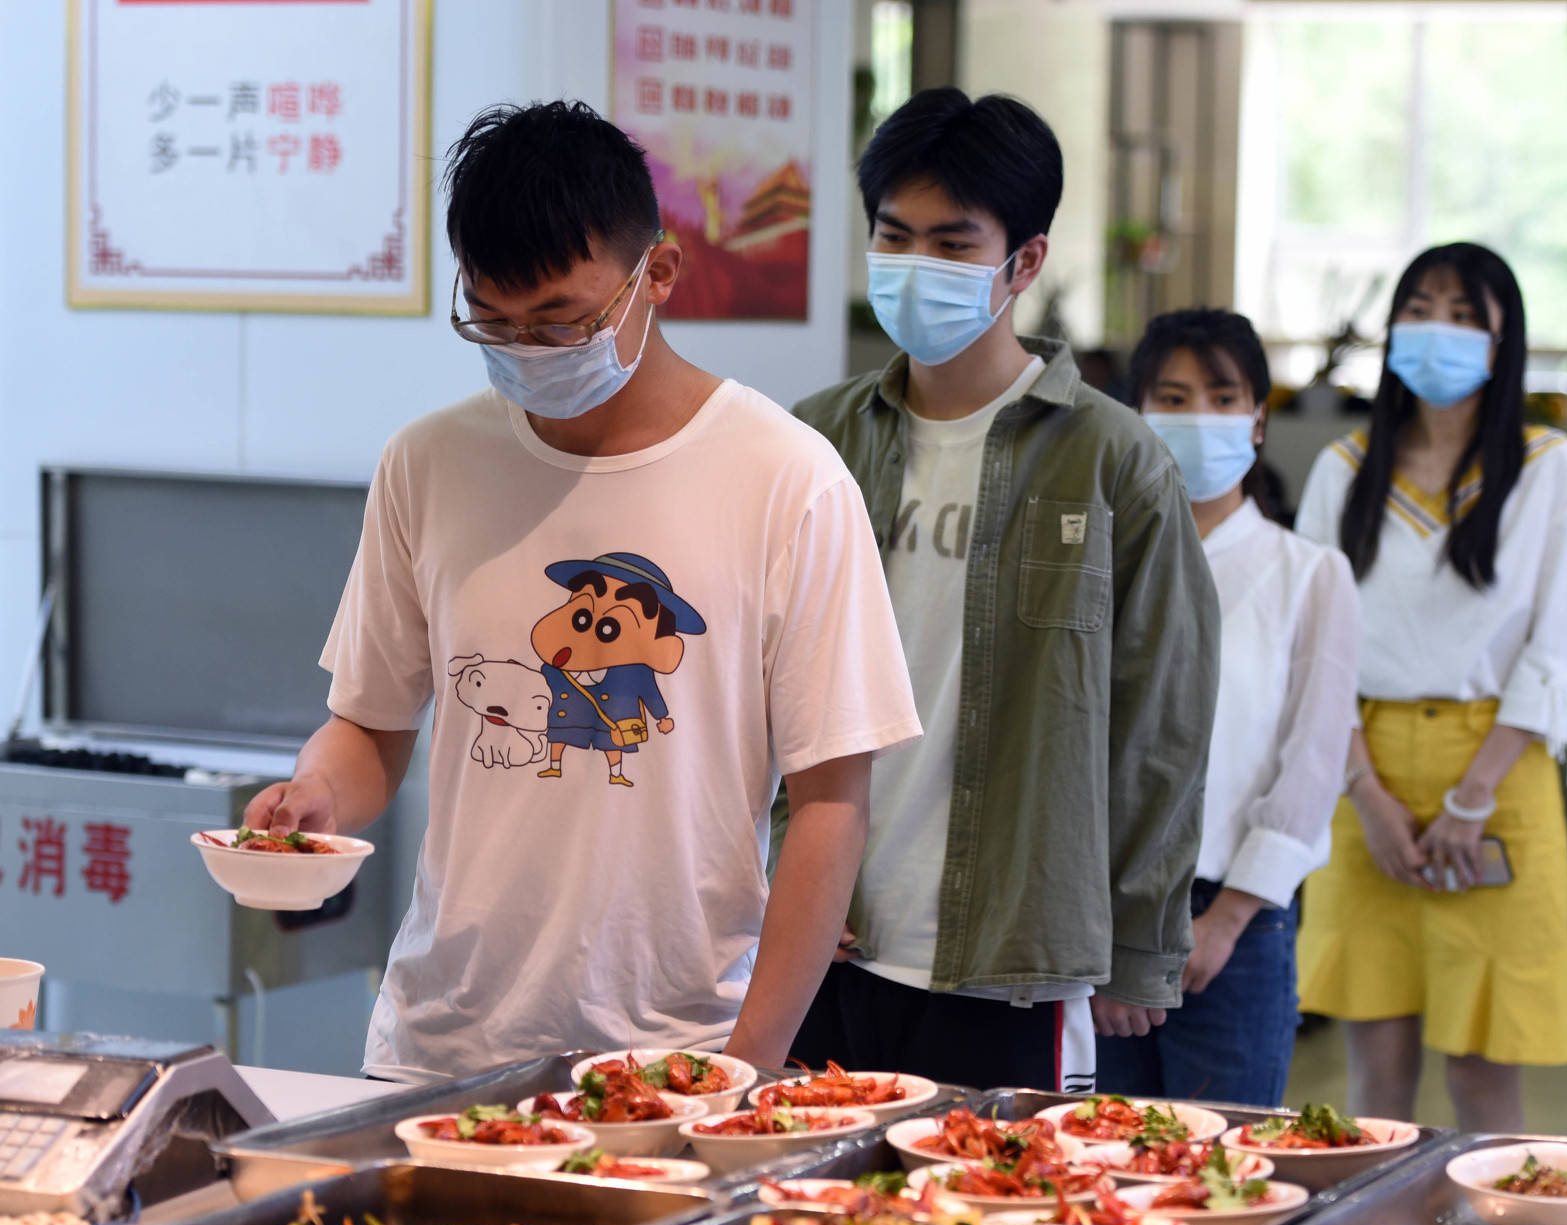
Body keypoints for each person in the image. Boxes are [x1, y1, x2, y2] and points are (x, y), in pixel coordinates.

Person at [242, 102, 921, 1081]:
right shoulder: (427, 463)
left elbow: (830, 801)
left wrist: (749, 1065)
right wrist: (318, 794)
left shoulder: (787, 479)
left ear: (661, 273)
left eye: (561, 318)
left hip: (677, 1058)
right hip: (438, 1048)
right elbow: (370, 725)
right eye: (492, 318)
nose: (528, 350)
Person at [790, 89, 1220, 1092]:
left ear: (1021, 262)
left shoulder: (1115, 460)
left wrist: (1141, 937)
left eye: (950, 243)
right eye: (893, 237)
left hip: (1012, 955)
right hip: (825, 932)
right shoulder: (813, 444)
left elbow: (1161, 719)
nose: (914, 266)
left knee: (991, 1224)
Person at [1294, 242, 1567, 1132]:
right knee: (1376, 1078)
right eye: (1422, 309)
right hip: (1365, 774)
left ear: (1505, 342)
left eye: (1467, 315)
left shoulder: (1552, 468)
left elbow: (1566, 644)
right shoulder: (1344, 469)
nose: (1441, 331)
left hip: (1499, 771)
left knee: (1482, 1075)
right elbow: (1314, 649)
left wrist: (1473, 798)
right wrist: (1366, 792)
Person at [1095, 309, 1360, 1107]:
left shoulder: (1309, 574)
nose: (1196, 418)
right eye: (1171, 398)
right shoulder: (1092, 555)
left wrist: (1230, 918)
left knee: (1224, 1170)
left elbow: (1314, 761)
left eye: (1221, 396)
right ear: (1135, 415)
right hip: (1091, 917)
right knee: (1093, 1162)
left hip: (1234, 922)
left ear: (1257, 421)